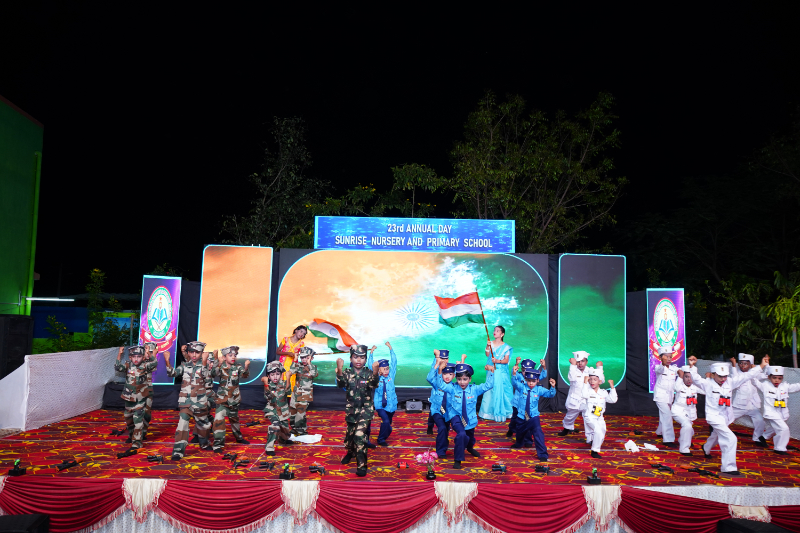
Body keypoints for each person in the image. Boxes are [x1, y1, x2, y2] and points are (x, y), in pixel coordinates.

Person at [695, 356, 769, 475]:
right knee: (730, 438)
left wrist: (761, 366)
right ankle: (728, 467)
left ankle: (706, 448)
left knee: (716, 434)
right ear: (713, 375)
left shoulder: (730, 382)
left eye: (725, 376)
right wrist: (691, 366)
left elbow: (747, 376)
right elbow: (695, 378)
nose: (723, 379)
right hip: (714, 417)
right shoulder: (707, 384)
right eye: (720, 376)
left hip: (726, 416)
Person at [430, 362, 494, 469]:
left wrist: (491, 372)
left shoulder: (475, 389)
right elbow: (441, 385)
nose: (462, 382)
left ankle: (469, 448)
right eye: (459, 379)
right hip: (456, 417)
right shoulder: (453, 388)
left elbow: (489, 385)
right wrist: (440, 370)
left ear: (470, 379)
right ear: (456, 379)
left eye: (465, 379)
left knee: (469, 437)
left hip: (470, 419)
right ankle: (458, 459)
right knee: (461, 435)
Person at [336, 344, 381, 476]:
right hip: (351, 411)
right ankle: (350, 452)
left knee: (359, 436)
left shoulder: (368, 373)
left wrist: (375, 372)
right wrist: (339, 370)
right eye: (355, 357)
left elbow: (374, 384)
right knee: (349, 438)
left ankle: (362, 466)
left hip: (365, 411)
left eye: (362, 357)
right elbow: (341, 384)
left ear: (366, 359)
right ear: (351, 358)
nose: (359, 360)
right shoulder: (347, 373)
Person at [164, 341, 214, 460]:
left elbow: (206, 377)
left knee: (204, 425)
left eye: (197, 352)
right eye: (191, 352)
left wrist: (204, 362)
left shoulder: (206, 365)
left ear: (202, 353)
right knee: (182, 425)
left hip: (200, 402)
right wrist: (167, 361)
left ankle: (204, 443)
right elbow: (172, 374)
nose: (194, 355)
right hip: (185, 401)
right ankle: (178, 451)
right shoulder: (184, 365)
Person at [114, 345, 158, 453]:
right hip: (129, 397)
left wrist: (150, 353)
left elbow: (154, 363)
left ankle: (137, 443)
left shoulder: (145, 366)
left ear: (143, 357)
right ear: (130, 357)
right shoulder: (128, 365)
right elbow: (117, 367)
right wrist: (119, 353)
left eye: (139, 356)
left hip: (141, 397)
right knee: (128, 418)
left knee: (138, 420)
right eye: (134, 357)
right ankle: (131, 435)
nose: (136, 359)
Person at [210, 346, 251, 453]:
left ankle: (239, 438)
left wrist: (246, 367)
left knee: (234, 420)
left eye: (235, 355)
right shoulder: (221, 366)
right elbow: (213, 373)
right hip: (222, 400)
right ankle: (218, 445)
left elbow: (245, 375)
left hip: (234, 399)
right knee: (218, 420)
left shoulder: (238, 367)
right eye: (230, 355)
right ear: (224, 357)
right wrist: (218, 363)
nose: (233, 357)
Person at [511, 369, 557, 461]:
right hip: (522, 416)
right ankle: (519, 443)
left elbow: (550, 394)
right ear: (525, 380)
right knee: (519, 434)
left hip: (533, 417)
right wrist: (514, 374)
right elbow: (514, 383)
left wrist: (553, 387)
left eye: (533, 381)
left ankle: (543, 454)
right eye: (529, 381)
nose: (531, 383)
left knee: (538, 434)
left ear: (537, 380)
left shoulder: (539, 389)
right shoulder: (522, 387)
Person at [757, 365, 800, 455]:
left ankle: (763, 437)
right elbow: (753, 380)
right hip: (771, 412)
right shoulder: (765, 386)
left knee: (775, 427)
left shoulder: (785, 386)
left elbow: (797, 386)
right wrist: (758, 369)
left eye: (779, 378)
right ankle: (779, 448)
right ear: (769, 377)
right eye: (774, 378)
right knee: (784, 429)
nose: (777, 380)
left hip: (782, 413)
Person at [729, 353, 769, 447]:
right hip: (740, 404)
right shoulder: (738, 374)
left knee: (760, 421)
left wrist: (767, 364)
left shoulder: (755, 374)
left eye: (746, 363)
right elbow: (734, 378)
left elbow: (766, 375)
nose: (743, 365)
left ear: (751, 364)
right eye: (741, 363)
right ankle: (715, 430)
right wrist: (734, 365)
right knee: (727, 418)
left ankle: (757, 438)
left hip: (752, 405)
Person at [478, 326, 513, 421]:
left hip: (502, 372)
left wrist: (497, 361)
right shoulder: (491, 343)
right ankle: (486, 413)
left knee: (503, 390)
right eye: (494, 330)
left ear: (502, 334)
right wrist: (487, 346)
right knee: (489, 389)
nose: (495, 332)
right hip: (491, 370)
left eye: (497, 331)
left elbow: (506, 360)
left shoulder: (506, 347)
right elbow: (487, 354)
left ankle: (506, 412)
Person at [581, 366, 617, 458]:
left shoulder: (603, 392)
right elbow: (584, 395)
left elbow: (613, 400)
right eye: (590, 379)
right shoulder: (587, 391)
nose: (592, 381)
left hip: (599, 417)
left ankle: (594, 442)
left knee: (602, 431)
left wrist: (612, 387)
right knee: (598, 431)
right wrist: (585, 382)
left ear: (600, 381)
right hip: (589, 416)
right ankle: (594, 451)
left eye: (595, 380)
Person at [367, 342, 398, 446]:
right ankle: (381, 440)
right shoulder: (376, 378)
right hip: (380, 405)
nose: (386, 371)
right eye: (384, 369)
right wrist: (371, 353)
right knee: (386, 421)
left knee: (388, 424)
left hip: (391, 405)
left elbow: (394, 362)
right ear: (379, 370)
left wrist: (390, 348)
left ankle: (382, 437)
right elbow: (371, 366)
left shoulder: (391, 376)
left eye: (387, 368)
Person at [508, 358, 547, 440]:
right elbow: (513, 374)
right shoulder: (519, 376)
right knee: (514, 418)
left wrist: (544, 367)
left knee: (526, 420)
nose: (525, 372)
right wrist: (516, 364)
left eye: (527, 370)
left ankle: (526, 438)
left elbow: (543, 375)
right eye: (523, 370)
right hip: (517, 403)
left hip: (525, 405)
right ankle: (511, 429)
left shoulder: (533, 378)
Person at [426, 354, 457, 458]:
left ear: (454, 376)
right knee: (442, 428)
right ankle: (440, 451)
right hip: (437, 411)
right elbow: (429, 378)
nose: (447, 376)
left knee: (445, 430)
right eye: (445, 374)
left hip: (448, 413)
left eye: (450, 374)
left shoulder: (454, 387)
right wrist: (437, 366)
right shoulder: (437, 384)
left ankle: (444, 443)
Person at [261, 360, 294, 456]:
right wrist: (266, 384)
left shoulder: (283, 383)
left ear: (281, 375)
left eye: (277, 374)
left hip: (283, 411)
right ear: (268, 376)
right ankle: (269, 447)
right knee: (275, 426)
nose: (275, 377)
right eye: (272, 374)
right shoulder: (268, 385)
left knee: (285, 432)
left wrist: (288, 378)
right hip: (272, 410)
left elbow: (288, 392)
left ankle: (283, 440)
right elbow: (269, 397)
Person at [672, 357, 704, 456]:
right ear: (683, 377)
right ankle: (684, 449)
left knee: (689, 430)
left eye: (690, 377)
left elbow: (707, 391)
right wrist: (680, 377)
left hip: (690, 413)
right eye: (686, 377)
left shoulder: (695, 387)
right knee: (687, 425)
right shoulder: (679, 385)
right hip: (678, 411)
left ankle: (683, 439)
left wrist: (692, 366)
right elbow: (676, 388)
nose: (689, 379)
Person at [559, 351, 592, 436]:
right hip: (575, 398)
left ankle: (590, 437)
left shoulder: (590, 370)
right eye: (578, 361)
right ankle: (567, 428)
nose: (580, 363)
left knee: (588, 418)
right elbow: (571, 378)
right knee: (570, 416)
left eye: (582, 361)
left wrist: (600, 368)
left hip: (587, 399)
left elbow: (600, 380)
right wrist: (573, 365)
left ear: (586, 362)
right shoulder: (573, 370)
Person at [653, 346, 679, 447]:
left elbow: (683, 372)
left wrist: (691, 366)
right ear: (660, 358)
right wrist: (663, 363)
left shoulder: (674, 368)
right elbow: (660, 369)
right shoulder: (658, 367)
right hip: (660, 396)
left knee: (664, 415)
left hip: (670, 396)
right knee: (667, 415)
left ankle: (660, 432)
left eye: (670, 357)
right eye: (666, 357)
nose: (669, 359)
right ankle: (668, 439)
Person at [289, 347, 318, 436]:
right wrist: (295, 359)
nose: (304, 359)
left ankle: (301, 430)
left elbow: (314, 374)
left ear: (311, 358)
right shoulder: (298, 366)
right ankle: (294, 428)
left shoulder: (313, 367)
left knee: (300, 413)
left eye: (306, 357)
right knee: (292, 412)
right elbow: (291, 371)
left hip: (305, 394)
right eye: (302, 357)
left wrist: (309, 364)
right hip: (296, 393)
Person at [277, 325, 307, 395]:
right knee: (282, 380)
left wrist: (305, 355)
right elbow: (278, 351)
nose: (302, 334)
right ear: (296, 330)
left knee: (291, 382)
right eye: (301, 331)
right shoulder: (285, 339)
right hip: (283, 364)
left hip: (293, 366)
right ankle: (280, 399)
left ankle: (290, 400)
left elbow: (302, 355)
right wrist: (288, 353)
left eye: (304, 334)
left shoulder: (301, 344)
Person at [427, 349, 450, 435]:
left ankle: (444, 433)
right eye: (442, 358)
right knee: (432, 415)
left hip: (446, 397)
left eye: (446, 359)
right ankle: (430, 426)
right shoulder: (436, 366)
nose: (444, 361)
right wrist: (437, 361)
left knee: (446, 417)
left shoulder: (449, 367)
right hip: (436, 398)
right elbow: (430, 378)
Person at [141, 342, 158, 440]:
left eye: (150, 352)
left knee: (147, 413)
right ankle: (134, 433)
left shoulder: (151, 363)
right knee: (135, 413)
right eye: (147, 351)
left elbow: (154, 365)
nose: (148, 353)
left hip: (148, 391)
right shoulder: (137, 361)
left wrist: (152, 354)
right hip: (137, 391)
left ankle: (143, 433)